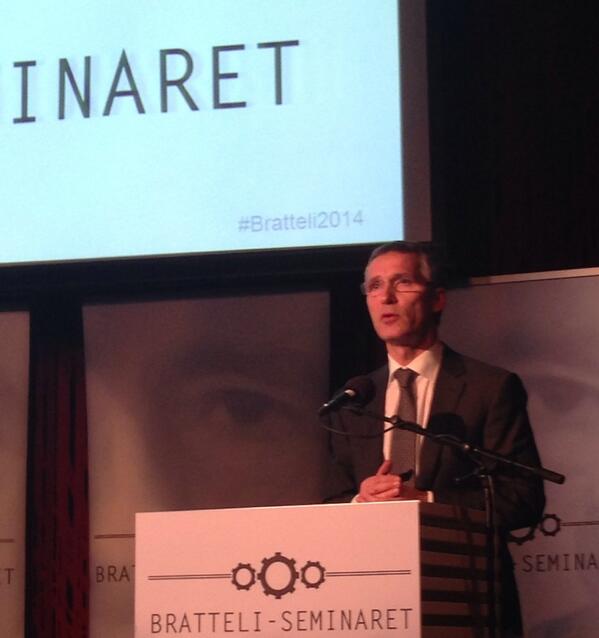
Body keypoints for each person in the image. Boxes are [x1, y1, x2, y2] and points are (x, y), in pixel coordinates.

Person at [325, 240, 545, 637]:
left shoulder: (489, 388)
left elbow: (522, 498)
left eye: (402, 282)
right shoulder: (355, 399)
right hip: (372, 601)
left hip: (465, 599)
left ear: (437, 298)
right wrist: (360, 500)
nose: (386, 297)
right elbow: (331, 501)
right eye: (374, 286)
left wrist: (426, 501)